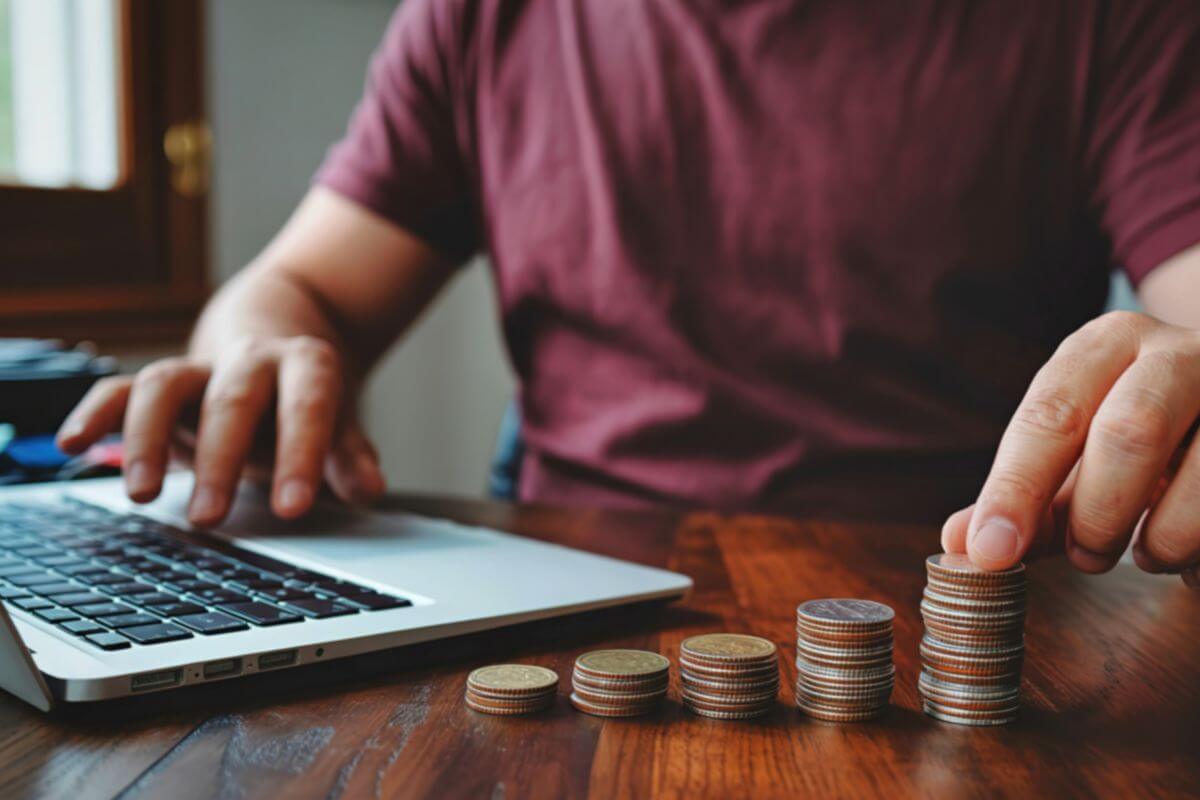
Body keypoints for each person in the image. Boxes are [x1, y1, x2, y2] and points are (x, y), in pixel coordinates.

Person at [57, 0, 1200, 587]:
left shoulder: (1109, 17)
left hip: (960, 591)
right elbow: (298, 282)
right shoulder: (482, 16)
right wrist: (258, 343)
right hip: (566, 572)